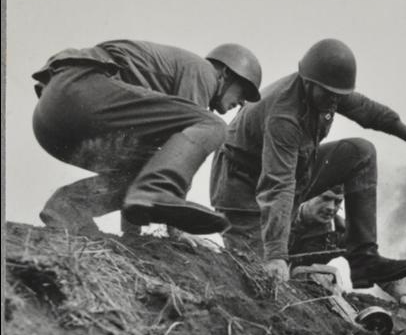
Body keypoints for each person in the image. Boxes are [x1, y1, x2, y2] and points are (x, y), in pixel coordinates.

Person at [209, 38, 406, 290]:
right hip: (242, 192)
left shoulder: (327, 90)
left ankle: (364, 259)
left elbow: (366, 109)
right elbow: (277, 184)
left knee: (361, 153)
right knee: (261, 280)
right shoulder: (284, 116)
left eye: (339, 96)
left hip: (293, 173)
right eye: (330, 95)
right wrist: (276, 255)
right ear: (309, 83)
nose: (335, 102)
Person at [33, 40, 263, 237]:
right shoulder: (202, 70)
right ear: (225, 74)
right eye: (243, 92)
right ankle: (156, 190)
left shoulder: (163, 98)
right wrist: (176, 231)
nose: (242, 103)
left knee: (151, 164)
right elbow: (180, 156)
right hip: (79, 89)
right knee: (213, 125)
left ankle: (70, 206)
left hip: (51, 119)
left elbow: (158, 166)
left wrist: (133, 236)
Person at [286, 185, 406, 312]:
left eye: (337, 201)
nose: (331, 208)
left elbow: (370, 263)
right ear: (307, 195)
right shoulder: (277, 214)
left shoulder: (339, 231)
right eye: (325, 198)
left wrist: (404, 296)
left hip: (300, 294)